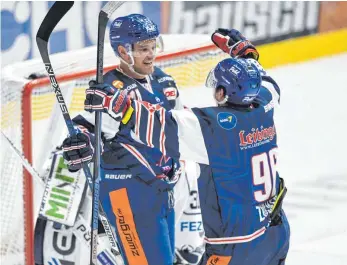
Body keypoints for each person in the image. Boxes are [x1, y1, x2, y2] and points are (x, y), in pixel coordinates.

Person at [84, 29, 290, 264]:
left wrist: (117, 103)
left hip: (237, 246)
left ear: (221, 92)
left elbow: (159, 127)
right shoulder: (266, 104)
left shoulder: (211, 129)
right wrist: (246, 55)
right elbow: (267, 82)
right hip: (275, 234)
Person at [61, 13, 205, 265]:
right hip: (129, 194)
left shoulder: (164, 81)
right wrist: (83, 141)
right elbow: (89, 128)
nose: (151, 54)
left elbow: (179, 127)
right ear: (123, 51)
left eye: (152, 47)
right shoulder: (108, 89)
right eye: (143, 49)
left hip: (164, 189)